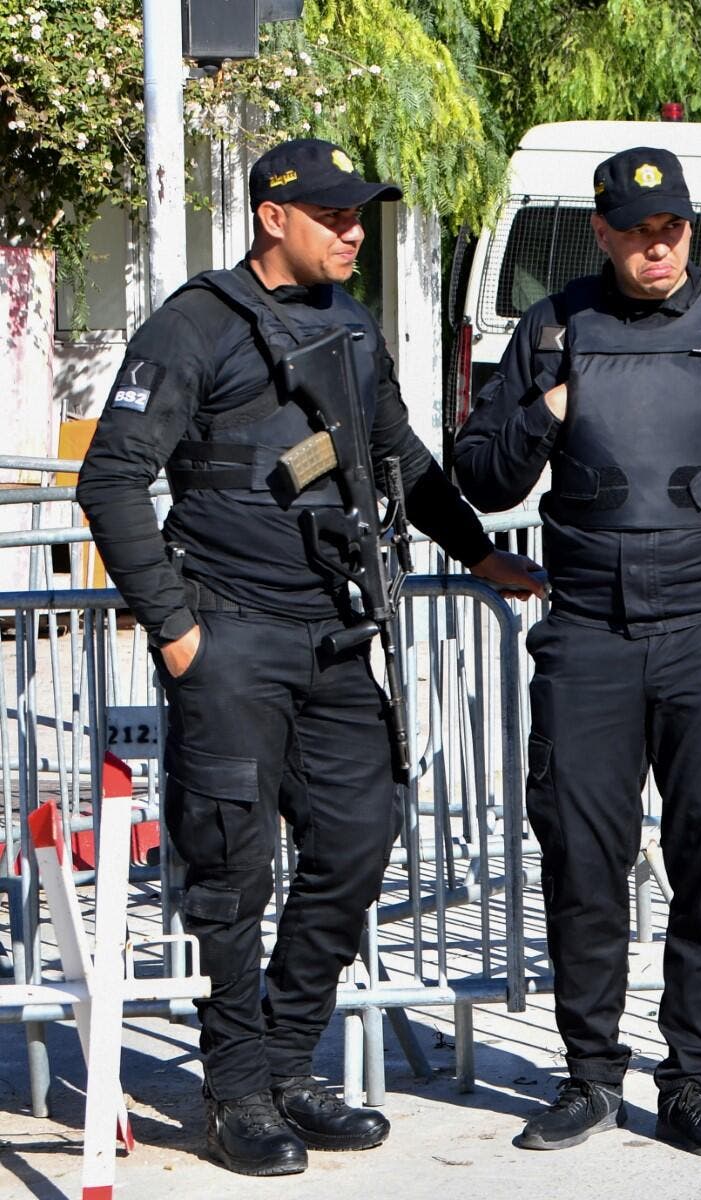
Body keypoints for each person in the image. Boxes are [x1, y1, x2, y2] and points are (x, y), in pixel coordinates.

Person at [76, 138, 545, 1178]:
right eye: (332, 215)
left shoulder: (350, 325)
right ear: (270, 217)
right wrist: (178, 629)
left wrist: (478, 550)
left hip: (334, 635)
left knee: (358, 838)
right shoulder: (195, 324)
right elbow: (112, 481)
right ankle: (236, 1090)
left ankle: (290, 1061)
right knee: (232, 872)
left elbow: (403, 460)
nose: (351, 231)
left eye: (359, 215)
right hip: (230, 636)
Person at [454, 146, 701, 1158]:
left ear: (690, 227)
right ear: (600, 233)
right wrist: (549, 411)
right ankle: (590, 1075)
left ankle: (691, 1082)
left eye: (672, 229)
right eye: (636, 233)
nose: (657, 247)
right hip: (589, 634)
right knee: (584, 861)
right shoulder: (553, 327)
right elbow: (481, 475)